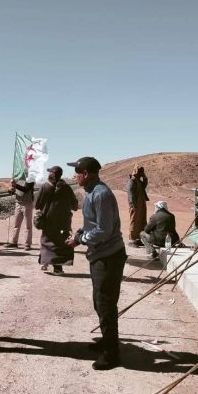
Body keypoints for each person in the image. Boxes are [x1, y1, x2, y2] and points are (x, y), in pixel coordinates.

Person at [65, 156, 126, 371]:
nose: (75, 176)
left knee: (105, 304)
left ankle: (111, 354)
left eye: (77, 172)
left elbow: (103, 230)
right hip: (99, 255)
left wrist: (80, 240)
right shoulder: (91, 192)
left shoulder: (101, 194)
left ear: (86, 174)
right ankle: (106, 341)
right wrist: (81, 232)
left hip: (109, 256)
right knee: (99, 301)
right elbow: (92, 224)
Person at [35, 166, 78, 274]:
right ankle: (58, 268)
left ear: (51, 175)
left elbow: (37, 205)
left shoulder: (45, 187)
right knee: (61, 243)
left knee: (47, 241)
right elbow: (75, 206)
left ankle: (45, 262)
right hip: (63, 223)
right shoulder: (66, 188)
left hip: (48, 222)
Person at [4, 177, 35, 249]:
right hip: (18, 203)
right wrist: (10, 190)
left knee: (28, 225)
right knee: (16, 224)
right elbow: (12, 191)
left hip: (27, 204)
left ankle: (27, 244)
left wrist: (15, 185)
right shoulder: (17, 179)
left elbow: (26, 189)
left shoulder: (31, 178)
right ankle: (14, 242)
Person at [126, 165, 149, 247]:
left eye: (142, 172)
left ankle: (138, 238)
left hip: (141, 204)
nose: (141, 173)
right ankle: (132, 240)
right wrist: (132, 204)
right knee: (134, 221)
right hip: (135, 205)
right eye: (140, 171)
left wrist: (144, 177)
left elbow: (144, 185)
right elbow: (130, 192)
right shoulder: (132, 181)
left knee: (141, 221)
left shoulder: (139, 181)